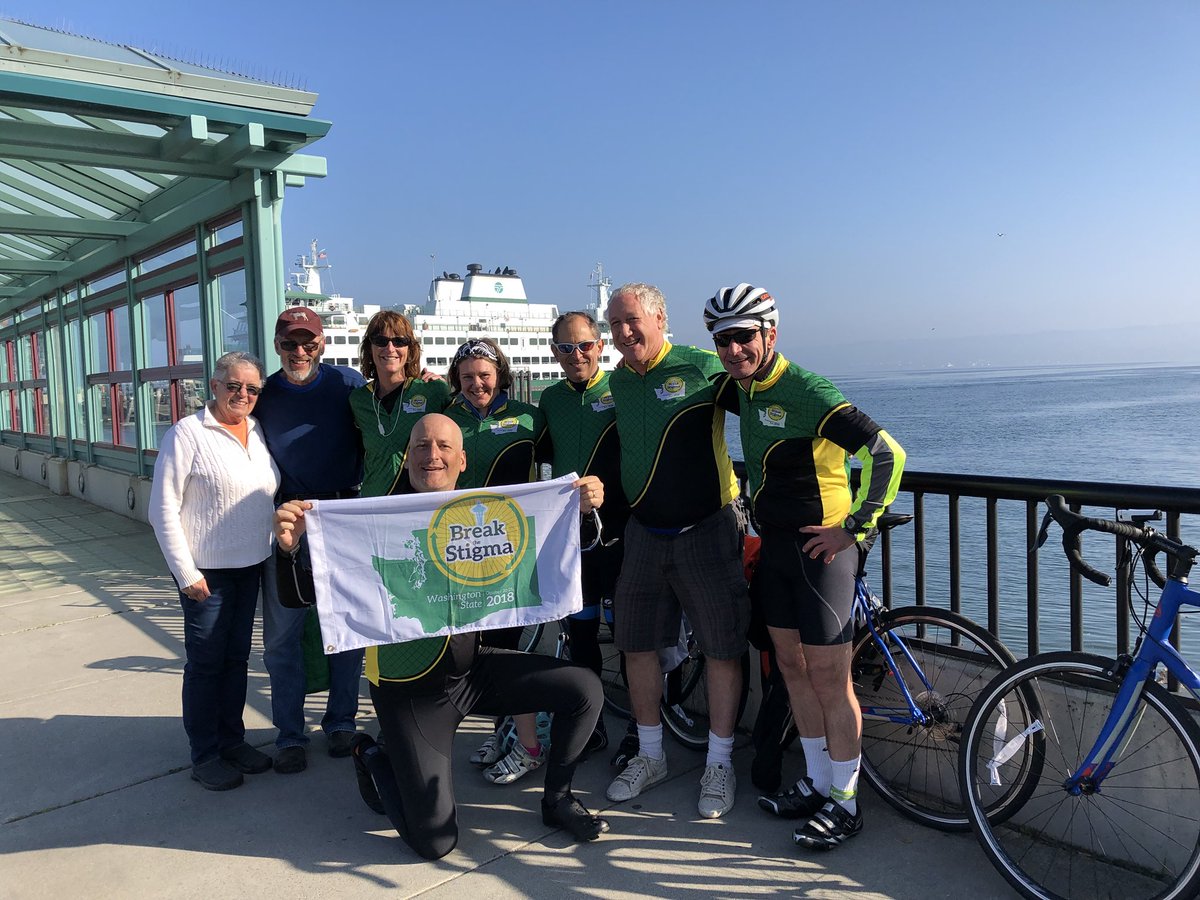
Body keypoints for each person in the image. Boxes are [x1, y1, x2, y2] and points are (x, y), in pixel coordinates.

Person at [272, 413, 609, 859]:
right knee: (436, 843)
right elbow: (298, 598)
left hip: (470, 672)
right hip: (410, 691)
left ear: (462, 460)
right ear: (406, 458)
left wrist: (582, 513)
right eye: (421, 446)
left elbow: (550, 551)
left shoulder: (482, 512)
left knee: (584, 687)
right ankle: (371, 755)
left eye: (444, 447)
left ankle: (558, 799)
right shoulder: (373, 518)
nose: (432, 455)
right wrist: (290, 548)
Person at [704, 284, 905, 849]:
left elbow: (888, 453)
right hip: (775, 549)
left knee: (830, 680)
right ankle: (819, 783)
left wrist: (855, 528)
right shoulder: (735, 387)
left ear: (771, 333)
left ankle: (846, 802)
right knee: (789, 668)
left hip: (824, 555)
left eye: (744, 336)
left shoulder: (807, 389)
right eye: (723, 340)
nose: (734, 349)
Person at [603, 282, 749, 819]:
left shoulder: (704, 365)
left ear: (659, 317)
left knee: (722, 647)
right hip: (644, 531)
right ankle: (649, 755)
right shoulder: (617, 378)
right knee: (636, 644)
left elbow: (763, 401)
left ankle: (718, 763)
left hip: (707, 527)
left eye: (632, 320)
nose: (622, 332)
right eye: (614, 323)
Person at [148, 351, 279, 791]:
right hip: (207, 571)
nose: (243, 394)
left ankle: (232, 741)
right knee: (205, 665)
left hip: (251, 566)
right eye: (235, 385)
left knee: (236, 660)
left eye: (252, 388)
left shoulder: (258, 432)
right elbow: (162, 509)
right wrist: (186, 573)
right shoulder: (188, 434)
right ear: (215, 386)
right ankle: (204, 753)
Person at [255, 307, 367, 773]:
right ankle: (289, 733)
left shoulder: (349, 384)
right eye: (289, 343)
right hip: (288, 520)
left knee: (347, 631)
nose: (299, 351)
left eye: (308, 343)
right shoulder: (262, 393)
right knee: (283, 635)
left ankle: (341, 721)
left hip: (343, 515)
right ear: (277, 345)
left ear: (322, 343)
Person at [444, 337, 550, 784]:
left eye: (484, 375)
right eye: (467, 377)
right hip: (464, 553)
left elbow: (549, 475)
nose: (476, 384)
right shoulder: (447, 419)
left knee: (507, 650)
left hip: (512, 553)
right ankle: (504, 731)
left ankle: (528, 746)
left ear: (500, 375)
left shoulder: (528, 417)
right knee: (481, 650)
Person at [538, 311, 628, 753]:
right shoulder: (551, 399)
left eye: (585, 345)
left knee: (633, 638)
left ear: (600, 345)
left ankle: (639, 731)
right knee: (582, 633)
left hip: (622, 531)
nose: (577, 355)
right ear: (555, 351)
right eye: (566, 348)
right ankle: (592, 725)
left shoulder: (622, 388)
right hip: (574, 537)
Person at [348, 310, 451, 498]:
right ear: (369, 348)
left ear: (410, 349)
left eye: (399, 341)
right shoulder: (358, 400)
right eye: (380, 341)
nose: (390, 348)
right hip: (374, 502)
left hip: (418, 502)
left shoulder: (433, 391)